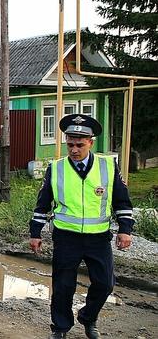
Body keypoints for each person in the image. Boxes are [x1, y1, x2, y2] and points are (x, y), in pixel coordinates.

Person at [29, 114, 133, 339]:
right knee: (63, 286)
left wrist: (125, 229)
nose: (74, 150)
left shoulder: (108, 166)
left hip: (98, 238)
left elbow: (122, 202)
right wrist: (35, 233)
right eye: (70, 144)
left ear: (91, 143)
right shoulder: (56, 168)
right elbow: (42, 204)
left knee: (105, 283)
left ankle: (88, 317)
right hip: (67, 238)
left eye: (79, 144)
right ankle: (60, 327)